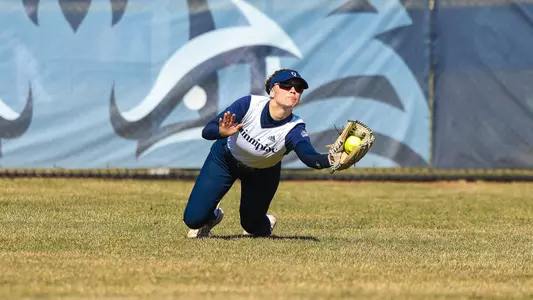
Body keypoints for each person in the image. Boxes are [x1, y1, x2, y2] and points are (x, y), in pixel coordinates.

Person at [183, 69, 332, 238]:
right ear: (272, 91)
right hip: (225, 160)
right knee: (193, 219)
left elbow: (310, 157)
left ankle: (267, 221)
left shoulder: (294, 128)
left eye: (298, 89)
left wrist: (332, 159)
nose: (293, 90)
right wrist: (221, 132)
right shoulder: (249, 105)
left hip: (263, 172)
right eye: (286, 85)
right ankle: (211, 217)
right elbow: (207, 131)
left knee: (253, 225)